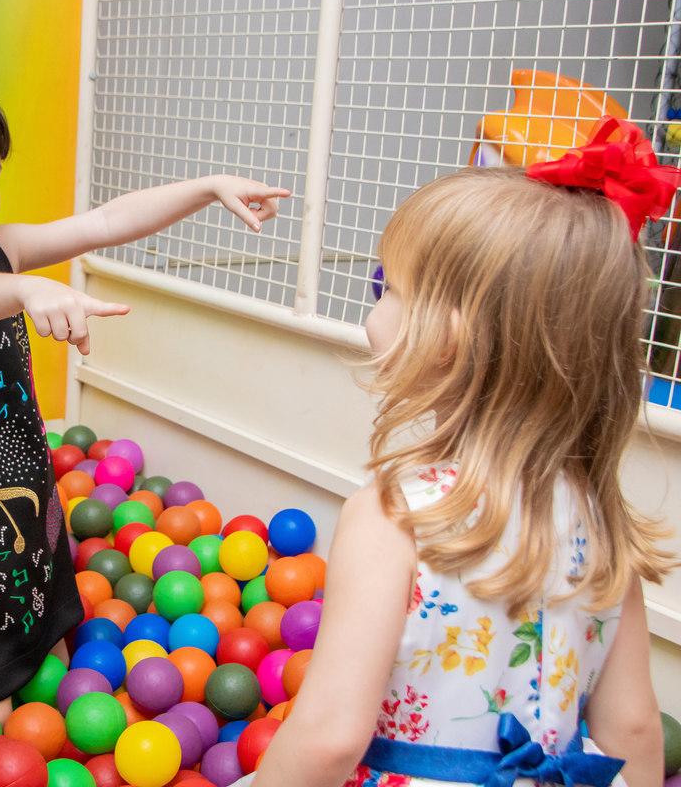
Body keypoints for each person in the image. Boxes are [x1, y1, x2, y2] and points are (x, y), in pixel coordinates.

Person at [243, 117, 678, 787]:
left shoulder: (395, 517)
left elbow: (329, 741)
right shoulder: (600, 521)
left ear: (450, 336)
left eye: (386, 288)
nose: (372, 313)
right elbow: (636, 731)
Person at [0, 72, 289, 716]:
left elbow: (106, 221)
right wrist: (30, 291)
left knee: (50, 660)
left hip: (23, 496)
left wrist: (206, 188)